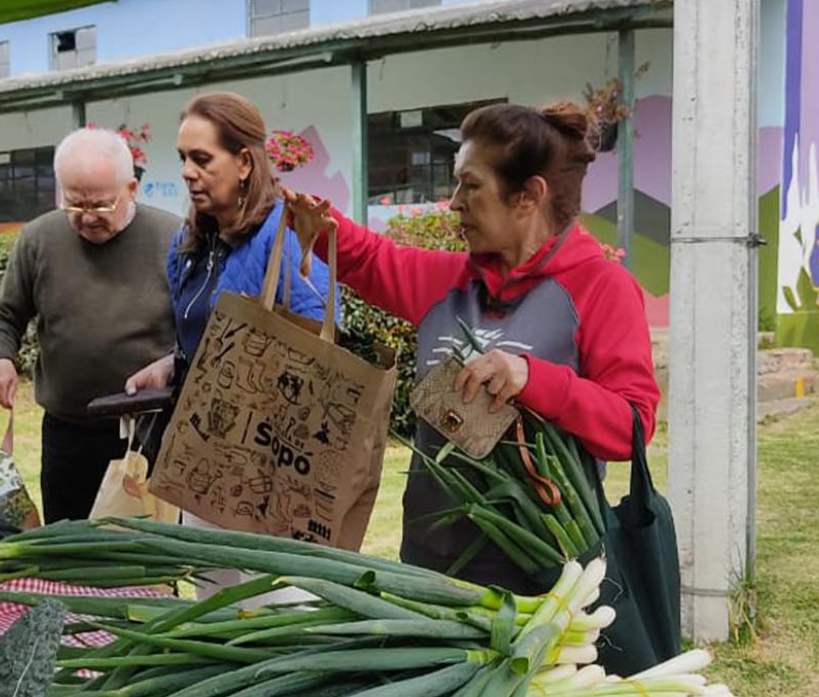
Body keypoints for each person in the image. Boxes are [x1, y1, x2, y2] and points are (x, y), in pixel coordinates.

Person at [285, 102, 660, 594]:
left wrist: (535, 380)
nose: (454, 202)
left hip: (539, 583)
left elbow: (632, 425)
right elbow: (374, 259)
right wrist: (307, 217)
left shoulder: (600, 287)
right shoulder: (451, 282)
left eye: (471, 184)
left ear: (528, 196)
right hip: (430, 571)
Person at [125, 91, 334, 601]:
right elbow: (203, 341)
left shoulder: (283, 235)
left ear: (243, 162)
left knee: (274, 614)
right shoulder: (189, 244)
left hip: (268, 469)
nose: (189, 173)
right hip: (205, 457)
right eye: (183, 160)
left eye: (202, 159)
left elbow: (320, 341)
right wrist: (171, 366)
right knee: (213, 605)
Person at [0, 127, 180, 523]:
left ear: (132, 189)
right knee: (66, 557)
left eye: (102, 206)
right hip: (67, 432)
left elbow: (201, 332)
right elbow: (3, 315)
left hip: (148, 433)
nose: (87, 218)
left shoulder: (173, 238)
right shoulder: (39, 239)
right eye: (74, 204)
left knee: (144, 560)